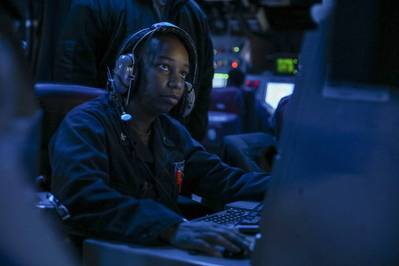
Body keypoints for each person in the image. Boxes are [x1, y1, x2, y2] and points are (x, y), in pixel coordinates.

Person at [50, 22, 269, 257]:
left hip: (155, 252)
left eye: (183, 73)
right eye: (165, 67)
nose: (177, 83)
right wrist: (171, 228)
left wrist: (285, 187)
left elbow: (221, 179)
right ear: (129, 71)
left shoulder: (169, 131)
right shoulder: (86, 125)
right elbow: (83, 197)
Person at [52, 0, 213, 141]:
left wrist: (189, 154)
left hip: (170, 155)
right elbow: (73, 89)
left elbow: (201, 92)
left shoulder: (194, 15)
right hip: (107, 147)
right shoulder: (95, 5)